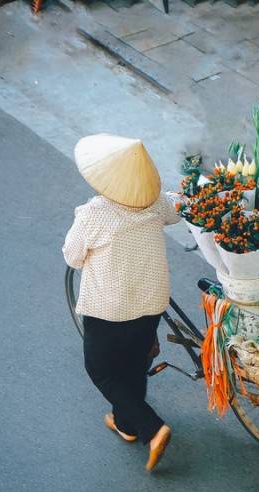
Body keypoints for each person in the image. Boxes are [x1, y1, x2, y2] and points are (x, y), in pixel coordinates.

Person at [62, 134, 180, 472]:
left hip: (111, 308)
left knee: (101, 370)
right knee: (133, 361)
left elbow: (72, 257)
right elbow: (174, 212)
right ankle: (126, 424)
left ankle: (151, 428)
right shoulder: (155, 202)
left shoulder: (94, 213)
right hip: (152, 300)